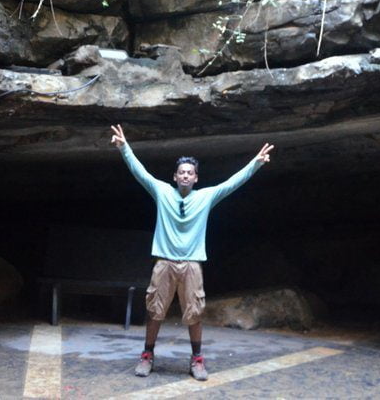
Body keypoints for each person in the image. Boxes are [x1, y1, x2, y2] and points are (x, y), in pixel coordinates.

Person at [109, 124, 273, 381]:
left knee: (194, 312)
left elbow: (232, 184)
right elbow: (140, 173)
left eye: (190, 173)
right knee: (155, 310)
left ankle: (197, 359)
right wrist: (124, 147)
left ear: (196, 178)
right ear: (175, 176)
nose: (185, 176)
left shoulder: (205, 197)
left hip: (191, 265)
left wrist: (256, 163)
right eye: (181, 172)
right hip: (164, 262)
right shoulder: (163, 192)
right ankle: (147, 355)